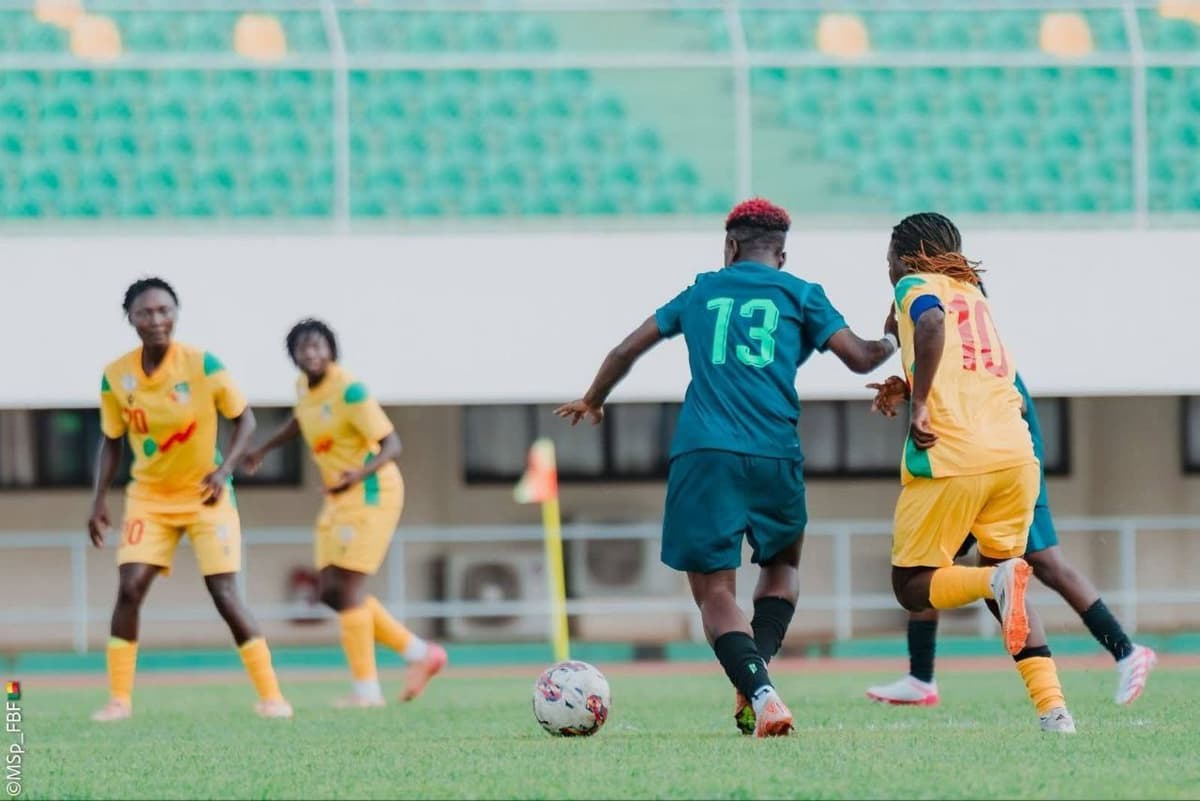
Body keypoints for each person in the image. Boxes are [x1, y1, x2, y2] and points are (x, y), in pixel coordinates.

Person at [556, 198, 899, 737]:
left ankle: (758, 689)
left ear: (730, 246)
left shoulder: (701, 292)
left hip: (705, 454)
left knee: (715, 592)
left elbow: (627, 349)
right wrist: (894, 337)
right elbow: (860, 357)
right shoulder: (801, 293)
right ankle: (755, 683)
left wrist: (594, 398)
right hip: (776, 453)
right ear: (781, 254)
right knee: (782, 570)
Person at [880, 211, 1078, 732]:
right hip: (1015, 453)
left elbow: (928, 322)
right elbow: (956, 360)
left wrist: (918, 403)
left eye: (888, 260)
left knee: (912, 586)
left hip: (953, 455)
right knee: (1009, 583)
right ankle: (1054, 710)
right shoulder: (975, 293)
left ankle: (993, 578)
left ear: (904, 258)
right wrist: (908, 381)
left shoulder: (915, 285)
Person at [866, 369, 1156, 707]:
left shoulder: (965, 340)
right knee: (928, 563)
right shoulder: (945, 343)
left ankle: (1126, 651)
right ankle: (921, 677)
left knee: (1045, 564)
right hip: (968, 468)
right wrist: (909, 388)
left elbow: (997, 403)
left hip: (1002, 466)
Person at [88, 277, 292, 722]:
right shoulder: (115, 375)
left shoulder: (203, 365)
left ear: (176, 314)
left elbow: (246, 421)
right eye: (146, 312)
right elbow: (111, 441)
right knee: (129, 588)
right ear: (131, 319)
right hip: (148, 497)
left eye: (165, 310)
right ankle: (118, 700)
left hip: (206, 495)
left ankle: (272, 695)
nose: (157, 319)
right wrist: (99, 500)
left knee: (223, 593)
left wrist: (224, 470)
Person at [242, 318, 446, 708]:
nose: (312, 353)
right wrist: (264, 450)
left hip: (371, 490)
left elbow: (392, 443)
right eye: (304, 348)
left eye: (319, 346)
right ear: (294, 356)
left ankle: (367, 691)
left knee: (348, 589)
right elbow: (301, 420)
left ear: (331, 351)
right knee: (330, 591)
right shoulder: (304, 388)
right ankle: (421, 653)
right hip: (339, 496)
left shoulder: (350, 390)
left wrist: (358, 473)